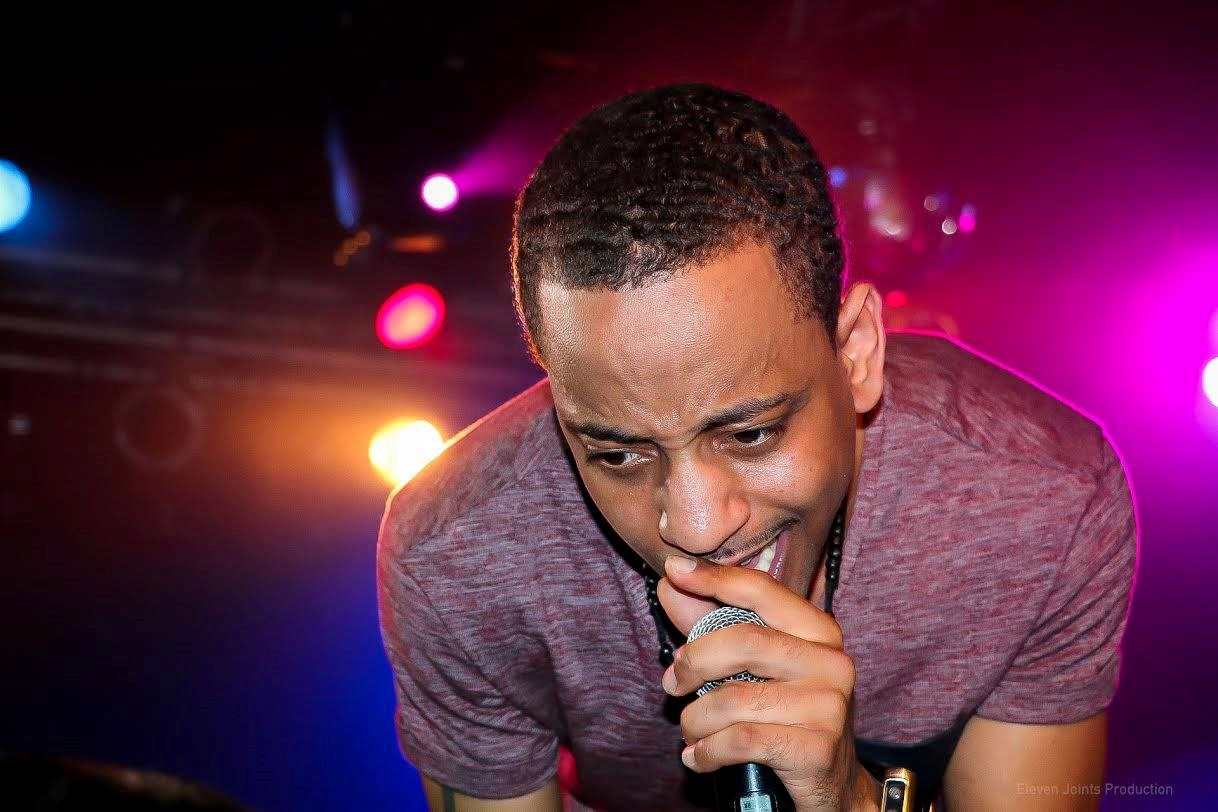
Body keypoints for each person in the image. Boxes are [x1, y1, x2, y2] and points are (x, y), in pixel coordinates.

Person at [376, 83, 1137, 811]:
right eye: (617, 455)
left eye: (750, 433)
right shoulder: (455, 554)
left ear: (856, 354)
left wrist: (847, 802)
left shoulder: (1043, 503)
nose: (695, 526)